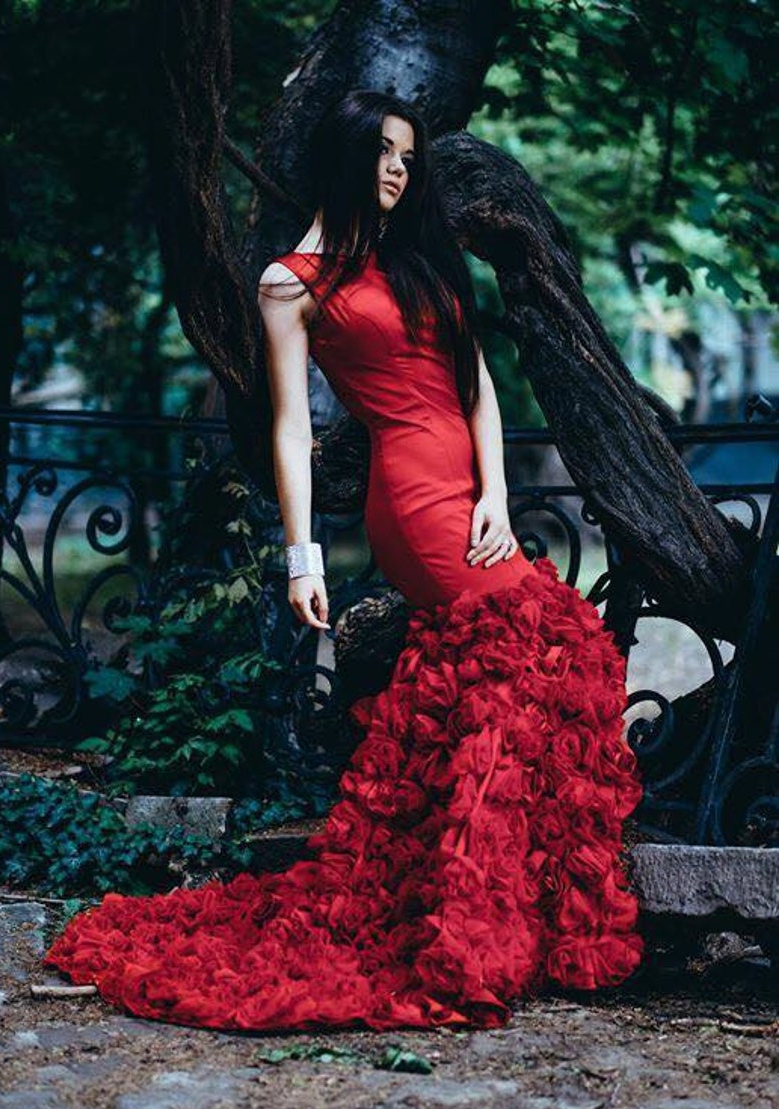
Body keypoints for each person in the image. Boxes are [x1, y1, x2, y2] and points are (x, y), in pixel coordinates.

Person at [42, 90, 643, 1032]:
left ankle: (465, 889)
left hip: (472, 495)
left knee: (523, 663)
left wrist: (497, 493)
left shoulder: (417, 260)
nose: (400, 171)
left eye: (410, 156)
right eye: (385, 153)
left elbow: (478, 386)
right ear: (348, 156)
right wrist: (302, 557)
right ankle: (464, 905)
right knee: (526, 651)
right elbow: (291, 429)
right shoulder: (295, 281)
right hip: (409, 499)